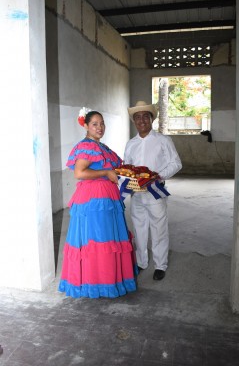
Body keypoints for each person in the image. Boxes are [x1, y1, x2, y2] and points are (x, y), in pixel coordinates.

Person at [58, 107, 137, 298]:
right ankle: (97, 282)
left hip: (107, 197)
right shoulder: (87, 146)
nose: (100, 127)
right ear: (85, 125)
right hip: (95, 200)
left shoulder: (102, 147)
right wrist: (105, 172)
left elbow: (115, 169)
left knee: (108, 238)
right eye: (95, 124)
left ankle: (108, 279)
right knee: (99, 239)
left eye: (102, 124)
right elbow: (79, 173)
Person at [124, 100, 182, 281]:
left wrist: (159, 175)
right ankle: (141, 262)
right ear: (134, 121)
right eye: (137, 117)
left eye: (145, 116)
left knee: (159, 229)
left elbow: (176, 163)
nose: (141, 120)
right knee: (139, 228)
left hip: (156, 192)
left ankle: (160, 265)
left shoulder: (163, 141)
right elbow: (127, 167)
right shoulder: (130, 144)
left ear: (151, 119)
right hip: (137, 194)